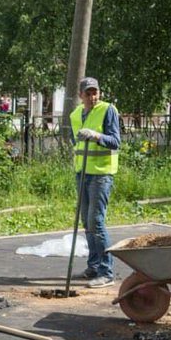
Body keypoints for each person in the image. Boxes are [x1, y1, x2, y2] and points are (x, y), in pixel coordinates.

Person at [69, 77, 121, 288]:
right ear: (81, 95)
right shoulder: (74, 115)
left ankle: (106, 272)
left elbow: (116, 141)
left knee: (96, 222)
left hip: (101, 173)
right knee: (86, 222)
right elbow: (75, 143)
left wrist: (96, 136)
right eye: (88, 93)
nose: (92, 97)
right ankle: (94, 266)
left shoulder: (108, 110)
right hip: (82, 173)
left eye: (95, 92)